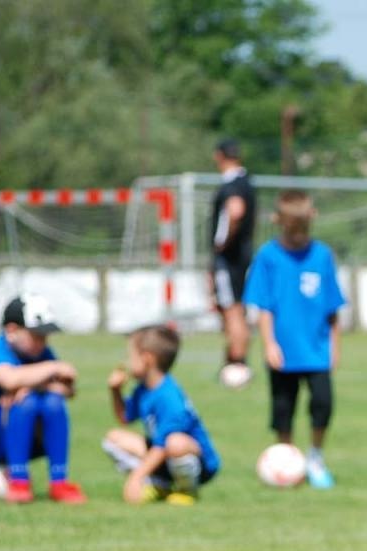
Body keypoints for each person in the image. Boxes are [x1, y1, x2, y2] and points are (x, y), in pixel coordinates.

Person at [244, 190, 346, 490]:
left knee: (323, 404)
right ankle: (286, 460)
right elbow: (263, 306)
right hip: (283, 351)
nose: (298, 235)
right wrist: (269, 343)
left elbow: (333, 307)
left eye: (303, 229)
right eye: (293, 228)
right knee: (283, 410)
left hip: (316, 350)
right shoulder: (268, 256)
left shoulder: (322, 255)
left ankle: (315, 457)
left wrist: (335, 346)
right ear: (280, 222)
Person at [0, 295, 86, 504]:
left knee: (51, 401)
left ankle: (59, 482)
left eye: (45, 337)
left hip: (29, 433)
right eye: (36, 336)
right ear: (11, 331)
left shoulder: (42, 353)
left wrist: (33, 385)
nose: (42, 343)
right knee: (25, 401)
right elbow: (9, 379)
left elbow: (67, 389)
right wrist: (52, 369)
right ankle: (19, 481)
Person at [101, 324, 220, 506]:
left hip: (195, 461)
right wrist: (115, 391)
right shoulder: (143, 390)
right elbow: (124, 417)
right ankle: (160, 485)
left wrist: (136, 477)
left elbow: (163, 445)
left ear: (147, 359)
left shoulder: (169, 397)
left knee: (175, 443)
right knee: (113, 439)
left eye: (131, 356)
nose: (127, 362)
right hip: (163, 454)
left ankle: (187, 490)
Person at [211, 138, 258, 382]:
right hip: (242, 257)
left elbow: (235, 210)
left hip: (230, 259)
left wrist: (222, 241)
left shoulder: (233, 185)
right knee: (238, 308)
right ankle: (238, 361)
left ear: (219, 155)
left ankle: (237, 364)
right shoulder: (247, 181)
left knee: (232, 310)